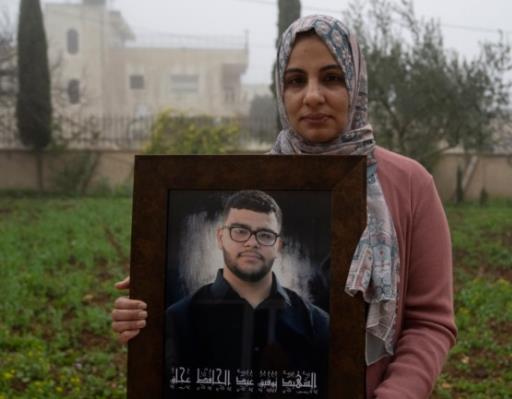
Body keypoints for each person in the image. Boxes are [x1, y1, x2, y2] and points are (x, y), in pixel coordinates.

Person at [112, 15, 456, 399]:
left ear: (356, 85)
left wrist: (398, 393)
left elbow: (430, 322)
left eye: (331, 77)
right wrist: (147, 304)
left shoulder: (409, 185)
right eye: (296, 80)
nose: (311, 95)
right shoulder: (252, 180)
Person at [165, 189, 328, 397]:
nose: (252, 242)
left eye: (265, 234)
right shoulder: (177, 320)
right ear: (220, 237)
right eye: (240, 231)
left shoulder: (318, 325)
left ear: (278, 246)